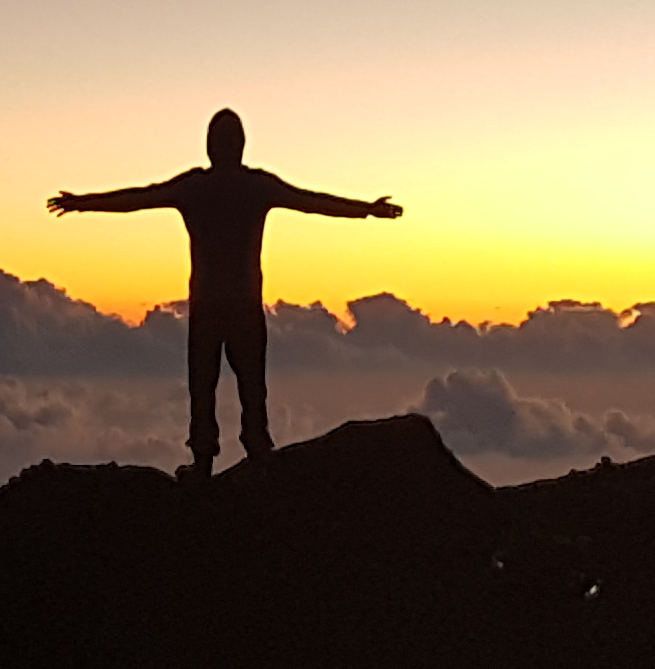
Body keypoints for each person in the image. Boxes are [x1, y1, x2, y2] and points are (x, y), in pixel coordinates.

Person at [50, 109, 401, 476]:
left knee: (203, 385)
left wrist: (82, 203)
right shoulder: (256, 186)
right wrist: (368, 210)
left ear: (209, 147)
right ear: (242, 146)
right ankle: (258, 451)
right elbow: (313, 201)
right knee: (250, 384)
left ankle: (204, 461)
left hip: (207, 304)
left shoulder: (194, 187)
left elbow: (138, 198)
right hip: (245, 303)